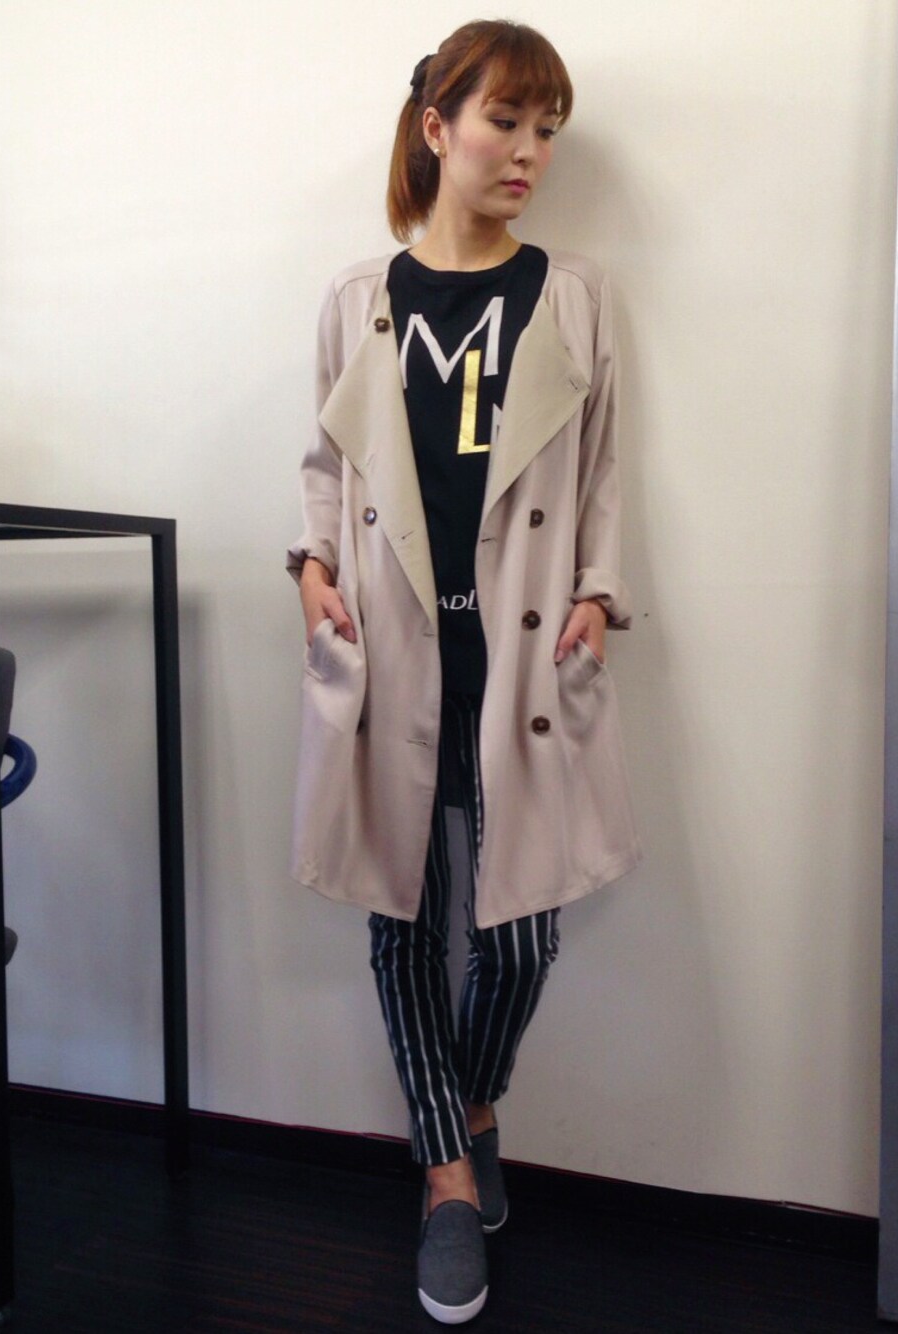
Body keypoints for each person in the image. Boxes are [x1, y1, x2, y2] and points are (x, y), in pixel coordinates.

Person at [286, 19, 641, 1324]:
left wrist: (599, 589)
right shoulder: (356, 298)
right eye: (507, 121)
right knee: (401, 913)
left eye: (548, 129)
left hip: (526, 655)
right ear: (437, 126)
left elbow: (605, 465)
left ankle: (472, 1104)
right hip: (389, 652)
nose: (531, 151)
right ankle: (446, 1178)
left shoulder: (574, 294)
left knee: (520, 933)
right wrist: (309, 566)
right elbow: (326, 464)